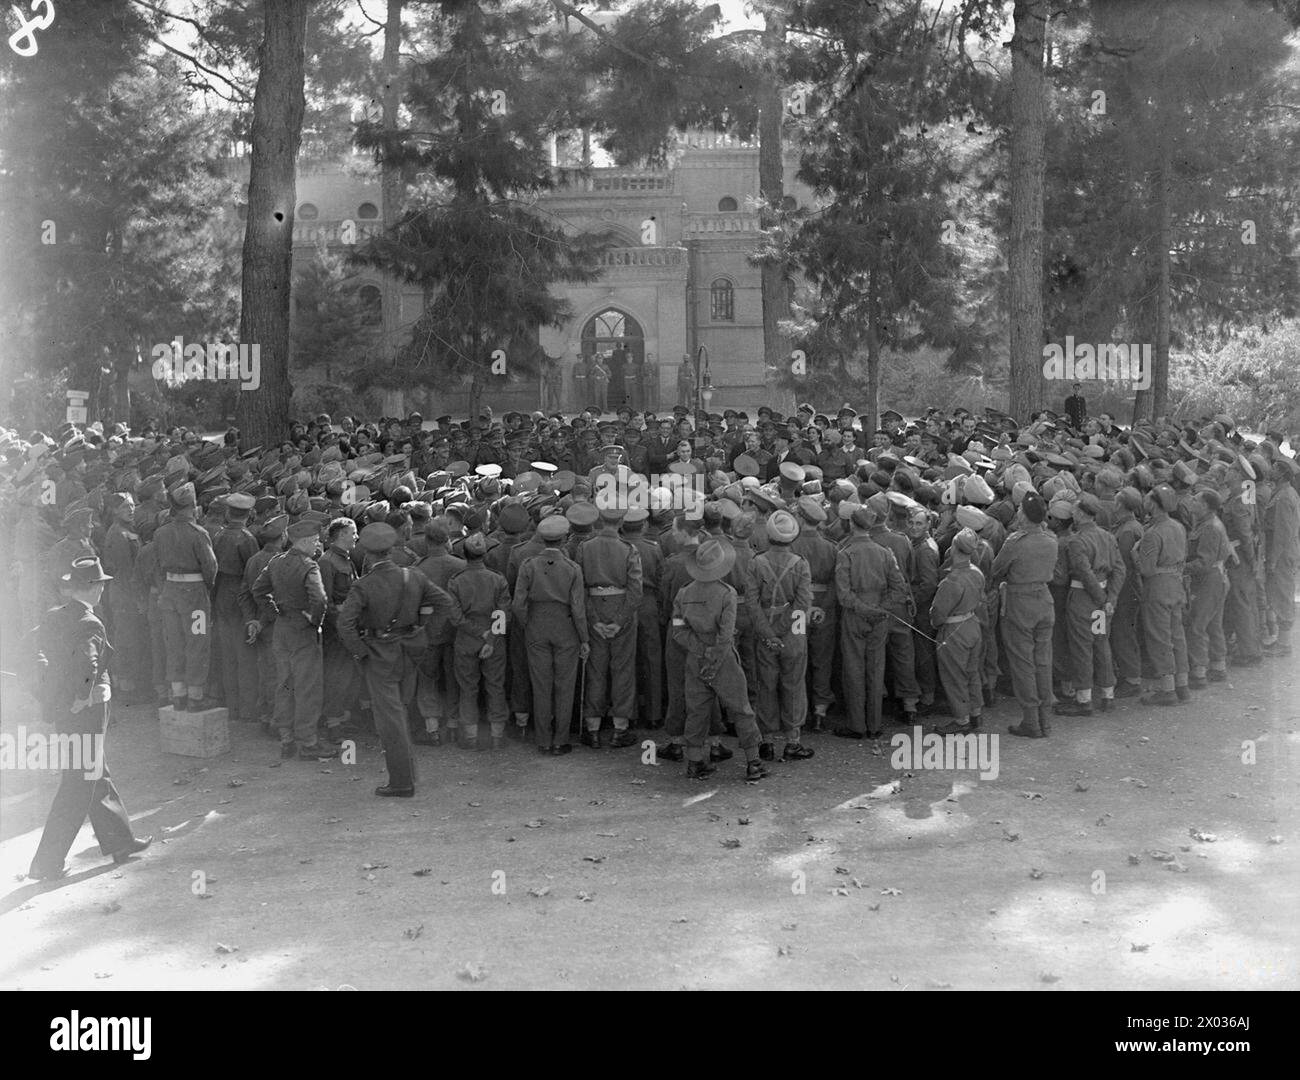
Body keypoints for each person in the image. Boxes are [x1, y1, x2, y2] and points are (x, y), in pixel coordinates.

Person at [27, 556, 152, 881]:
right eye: (100, 584)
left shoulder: (56, 616)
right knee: (78, 785)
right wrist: (80, 697)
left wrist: (53, 693)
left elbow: (34, 650)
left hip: (68, 711)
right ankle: (46, 864)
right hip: (87, 712)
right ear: (93, 588)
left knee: (96, 774)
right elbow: (88, 666)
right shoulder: (89, 622)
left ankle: (120, 842)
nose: (102, 590)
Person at [339, 523, 447, 795]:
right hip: (409, 651)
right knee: (400, 713)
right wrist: (424, 630)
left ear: (368, 555)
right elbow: (444, 602)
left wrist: (360, 653)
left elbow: (345, 625)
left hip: (378, 655)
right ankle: (408, 774)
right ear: (389, 551)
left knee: (390, 720)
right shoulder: (413, 576)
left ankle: (401, 782)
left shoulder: (363, 585)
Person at [669, 537, 768, 781]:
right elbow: (726, 633)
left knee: (697, 711)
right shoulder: (727, 594)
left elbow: (678, 630)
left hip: (695, 659)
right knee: (741, 709)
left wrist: (700, 650)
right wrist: (715, 653)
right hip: (723, 659)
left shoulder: (683, 594)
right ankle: (753, 763)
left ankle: (694, 762)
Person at [252, 520, 337, 758]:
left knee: (285, 684)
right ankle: (308, 742)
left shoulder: (276, 561)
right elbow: (319, 599)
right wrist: (314, 621)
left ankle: (286, 738)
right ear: (307, 541)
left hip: (282, 630)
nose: (318, 545)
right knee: (307, 687)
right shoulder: (309, 566)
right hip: (303, 632)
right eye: (316, 541)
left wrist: (274, 613)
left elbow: (258, 590)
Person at [512, 514, 589, 754]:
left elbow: (518, 604)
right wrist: (584, 638)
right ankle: (560, 740)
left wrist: (527, 624)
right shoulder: (572, 568)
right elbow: (577, 608)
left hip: (536, 627)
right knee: (565, 686)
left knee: (541, 684)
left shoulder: (528, 565)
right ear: (564, 539)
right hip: (566, 629)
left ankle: (543, 740)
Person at [834, 504, 912, 740]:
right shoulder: (884, 552)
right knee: (876, 669)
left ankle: (857, 725)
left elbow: (843, 594)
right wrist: (882, 608)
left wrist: (864, 609)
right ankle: (875, 724)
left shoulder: (845, 553)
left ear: (851, 525)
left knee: (854, 669)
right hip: (880, 614)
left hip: (855, 614)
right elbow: (900, 588)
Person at [989, 490, 1058, 738]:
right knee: (1043, 662)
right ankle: (1045, 720)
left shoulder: (1015, 542)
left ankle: (1031, 720)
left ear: (1025, 516)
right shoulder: (1051, 539)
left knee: (1023, 664)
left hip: (1020, 602)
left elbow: (996, 570)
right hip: (1044, 600)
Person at [747, 509, 814, 761]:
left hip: (765, 626)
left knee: (766, 684)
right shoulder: (800, 564)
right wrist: (783, 630)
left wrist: (768, 632)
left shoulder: (756, 562)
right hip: (793, 629)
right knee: (794, 684)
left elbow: (751, 604)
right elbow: (803, 601)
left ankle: (766, 740)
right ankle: (792, 740)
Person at [576, 507, 642, 748]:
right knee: (623, 670)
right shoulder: (628, 549)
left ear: (599, 520)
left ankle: (592, 728)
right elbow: (636, 591)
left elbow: (579, 588)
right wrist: (620, 620)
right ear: (621, 522)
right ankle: (619, 729)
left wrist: (594, 620)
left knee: (595, 669)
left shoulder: (585, 547)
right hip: (620, 609)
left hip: (594, 605)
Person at [154, 482, 218, 712]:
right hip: (195, 597)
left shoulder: (160, 533)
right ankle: (195, 697)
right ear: (193, 506)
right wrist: (205, 589)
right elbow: (211, 568)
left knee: (174, 643)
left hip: (170, 593)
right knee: (197, 643)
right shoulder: (199, 534)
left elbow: (157, 568)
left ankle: (178, 695)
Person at [445, 532, 512, 749]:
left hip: (466, 640)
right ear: (484, 555)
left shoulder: (456, 581)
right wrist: (490, 638)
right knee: (495, 686)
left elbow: (455, 617)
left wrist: (478, 633)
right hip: (495, 641)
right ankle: (496, 736)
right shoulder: (498, 579)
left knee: (467, 687)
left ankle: (471, 736)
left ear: (464, 554)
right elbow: (504, 613)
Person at [1136, 483, 1189, 706]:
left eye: (1149, 499)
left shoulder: (1152, 533)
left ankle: (1167, 689)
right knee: (1178, 635)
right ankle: (1182, 685)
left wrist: (1134, 556)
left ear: (1156, 506)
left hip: (1158, 587)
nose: (1146, 501)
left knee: (1160, 637)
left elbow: (1146, 569)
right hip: (1176, 584)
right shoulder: (1178, 527)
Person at [929, 528, 985, 734]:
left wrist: (935, 625)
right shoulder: (976, 572)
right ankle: (976, 713)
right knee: (972, 673)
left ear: (953, 549)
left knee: (954, 676)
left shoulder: (951, 581)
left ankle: (961, 720)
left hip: (954, 630)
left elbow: (937, 614)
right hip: (972, 624)